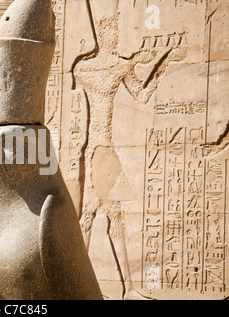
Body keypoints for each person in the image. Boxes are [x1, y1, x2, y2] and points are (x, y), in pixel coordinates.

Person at [72, 13, 188, 299]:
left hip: (103, 149)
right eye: (109, 34)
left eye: (115, 34)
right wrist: (141, 61)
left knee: (111, 218)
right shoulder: (89, 67)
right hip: (99, 150)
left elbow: (143, 95)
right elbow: (110, 76)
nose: (113, 38)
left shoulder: (96, 67)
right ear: (102, 36)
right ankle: (86, 288)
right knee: (91, 217)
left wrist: (161, 63)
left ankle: (125, 288)